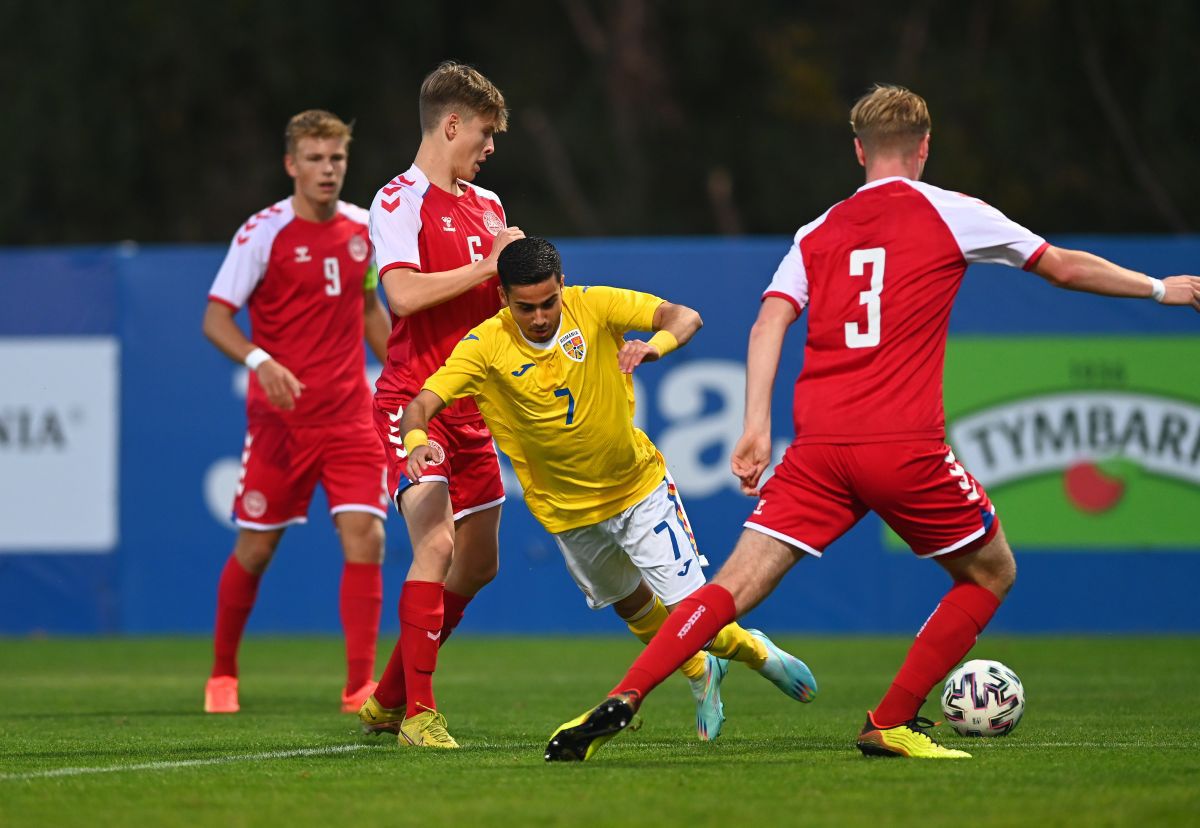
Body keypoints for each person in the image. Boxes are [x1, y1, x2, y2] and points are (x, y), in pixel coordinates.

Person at [545, 83, 1200, 762]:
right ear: (924, 147)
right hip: (903, 446)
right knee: (989, 573)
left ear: (858, 150)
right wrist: (1159, 288)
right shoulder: (953, 211)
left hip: (820, 448)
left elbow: (771, 318)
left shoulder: (816, 231)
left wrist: (755, 427)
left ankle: (625, 695)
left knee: (728, 590)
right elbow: (1062, 267)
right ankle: (890, 720)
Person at [396, 236, 816, 750]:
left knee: (693, 613)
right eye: (525, 307)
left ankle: (756, 654)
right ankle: (701, 671)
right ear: (504, 299)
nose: (541, 316)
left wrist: (653, 345)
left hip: (638, 490)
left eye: (549, 302)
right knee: (635, 610)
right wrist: (416, 441)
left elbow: (685, 317)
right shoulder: (484, 346)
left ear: (562, 287)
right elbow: (418, 405)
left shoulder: (593, 305)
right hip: (567, 514)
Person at [356, 62, 524, 748]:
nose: (489, 148)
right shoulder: (397, 201)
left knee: (479, 563)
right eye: (483, 133)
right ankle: (418, 714)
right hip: (413, 402)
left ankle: (387, 695)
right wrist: (490, 266)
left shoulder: (490, 208)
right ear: (450, 124)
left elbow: (495, 315)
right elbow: (400, 296)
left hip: (473, 408)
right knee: (437, 541)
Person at [202, 110, 392, 715]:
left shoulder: (364, 229)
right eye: (314, 159)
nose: (327, 170)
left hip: (349, 417)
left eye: (336, 158)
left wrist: (405, 376)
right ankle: (222, 673)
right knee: (256, 549)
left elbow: (368, 313)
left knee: (367, 536)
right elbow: (215, 318)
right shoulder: (262, 233)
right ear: (291, 165)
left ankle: (359, 686)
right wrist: (260, 360)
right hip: (281, 422)